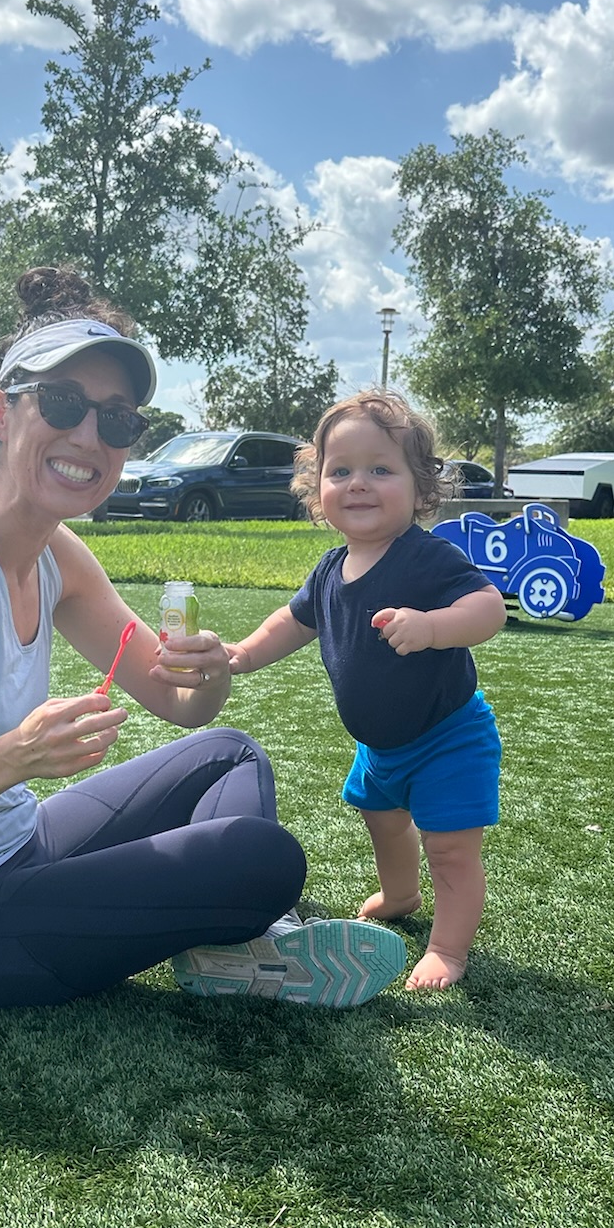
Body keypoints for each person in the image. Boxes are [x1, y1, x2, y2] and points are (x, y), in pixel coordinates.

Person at [0, 267, 406, 1012]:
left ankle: (239, 950)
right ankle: (247, 940)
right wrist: (14, 758)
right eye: (62, 403)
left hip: (17, 847)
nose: (89, 436)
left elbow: (183, 707)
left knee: (229, 756)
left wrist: (207, 670)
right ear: (1, 412)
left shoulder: (54, 554)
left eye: (118, 420)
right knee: (261, 859)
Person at [222, 390, 506, 990]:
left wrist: (431, 627)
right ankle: (401, 894)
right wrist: (243, 654)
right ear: (317, 489)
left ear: (421, 486)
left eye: (381, 469)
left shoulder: (425, 558)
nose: (358, 483)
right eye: (340, 471)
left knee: (451, 850)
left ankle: (449, 950)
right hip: (379, 747)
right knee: (382, 821)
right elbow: (293, 622)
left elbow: (487, 608)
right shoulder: (329, 569)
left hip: (447, 736)